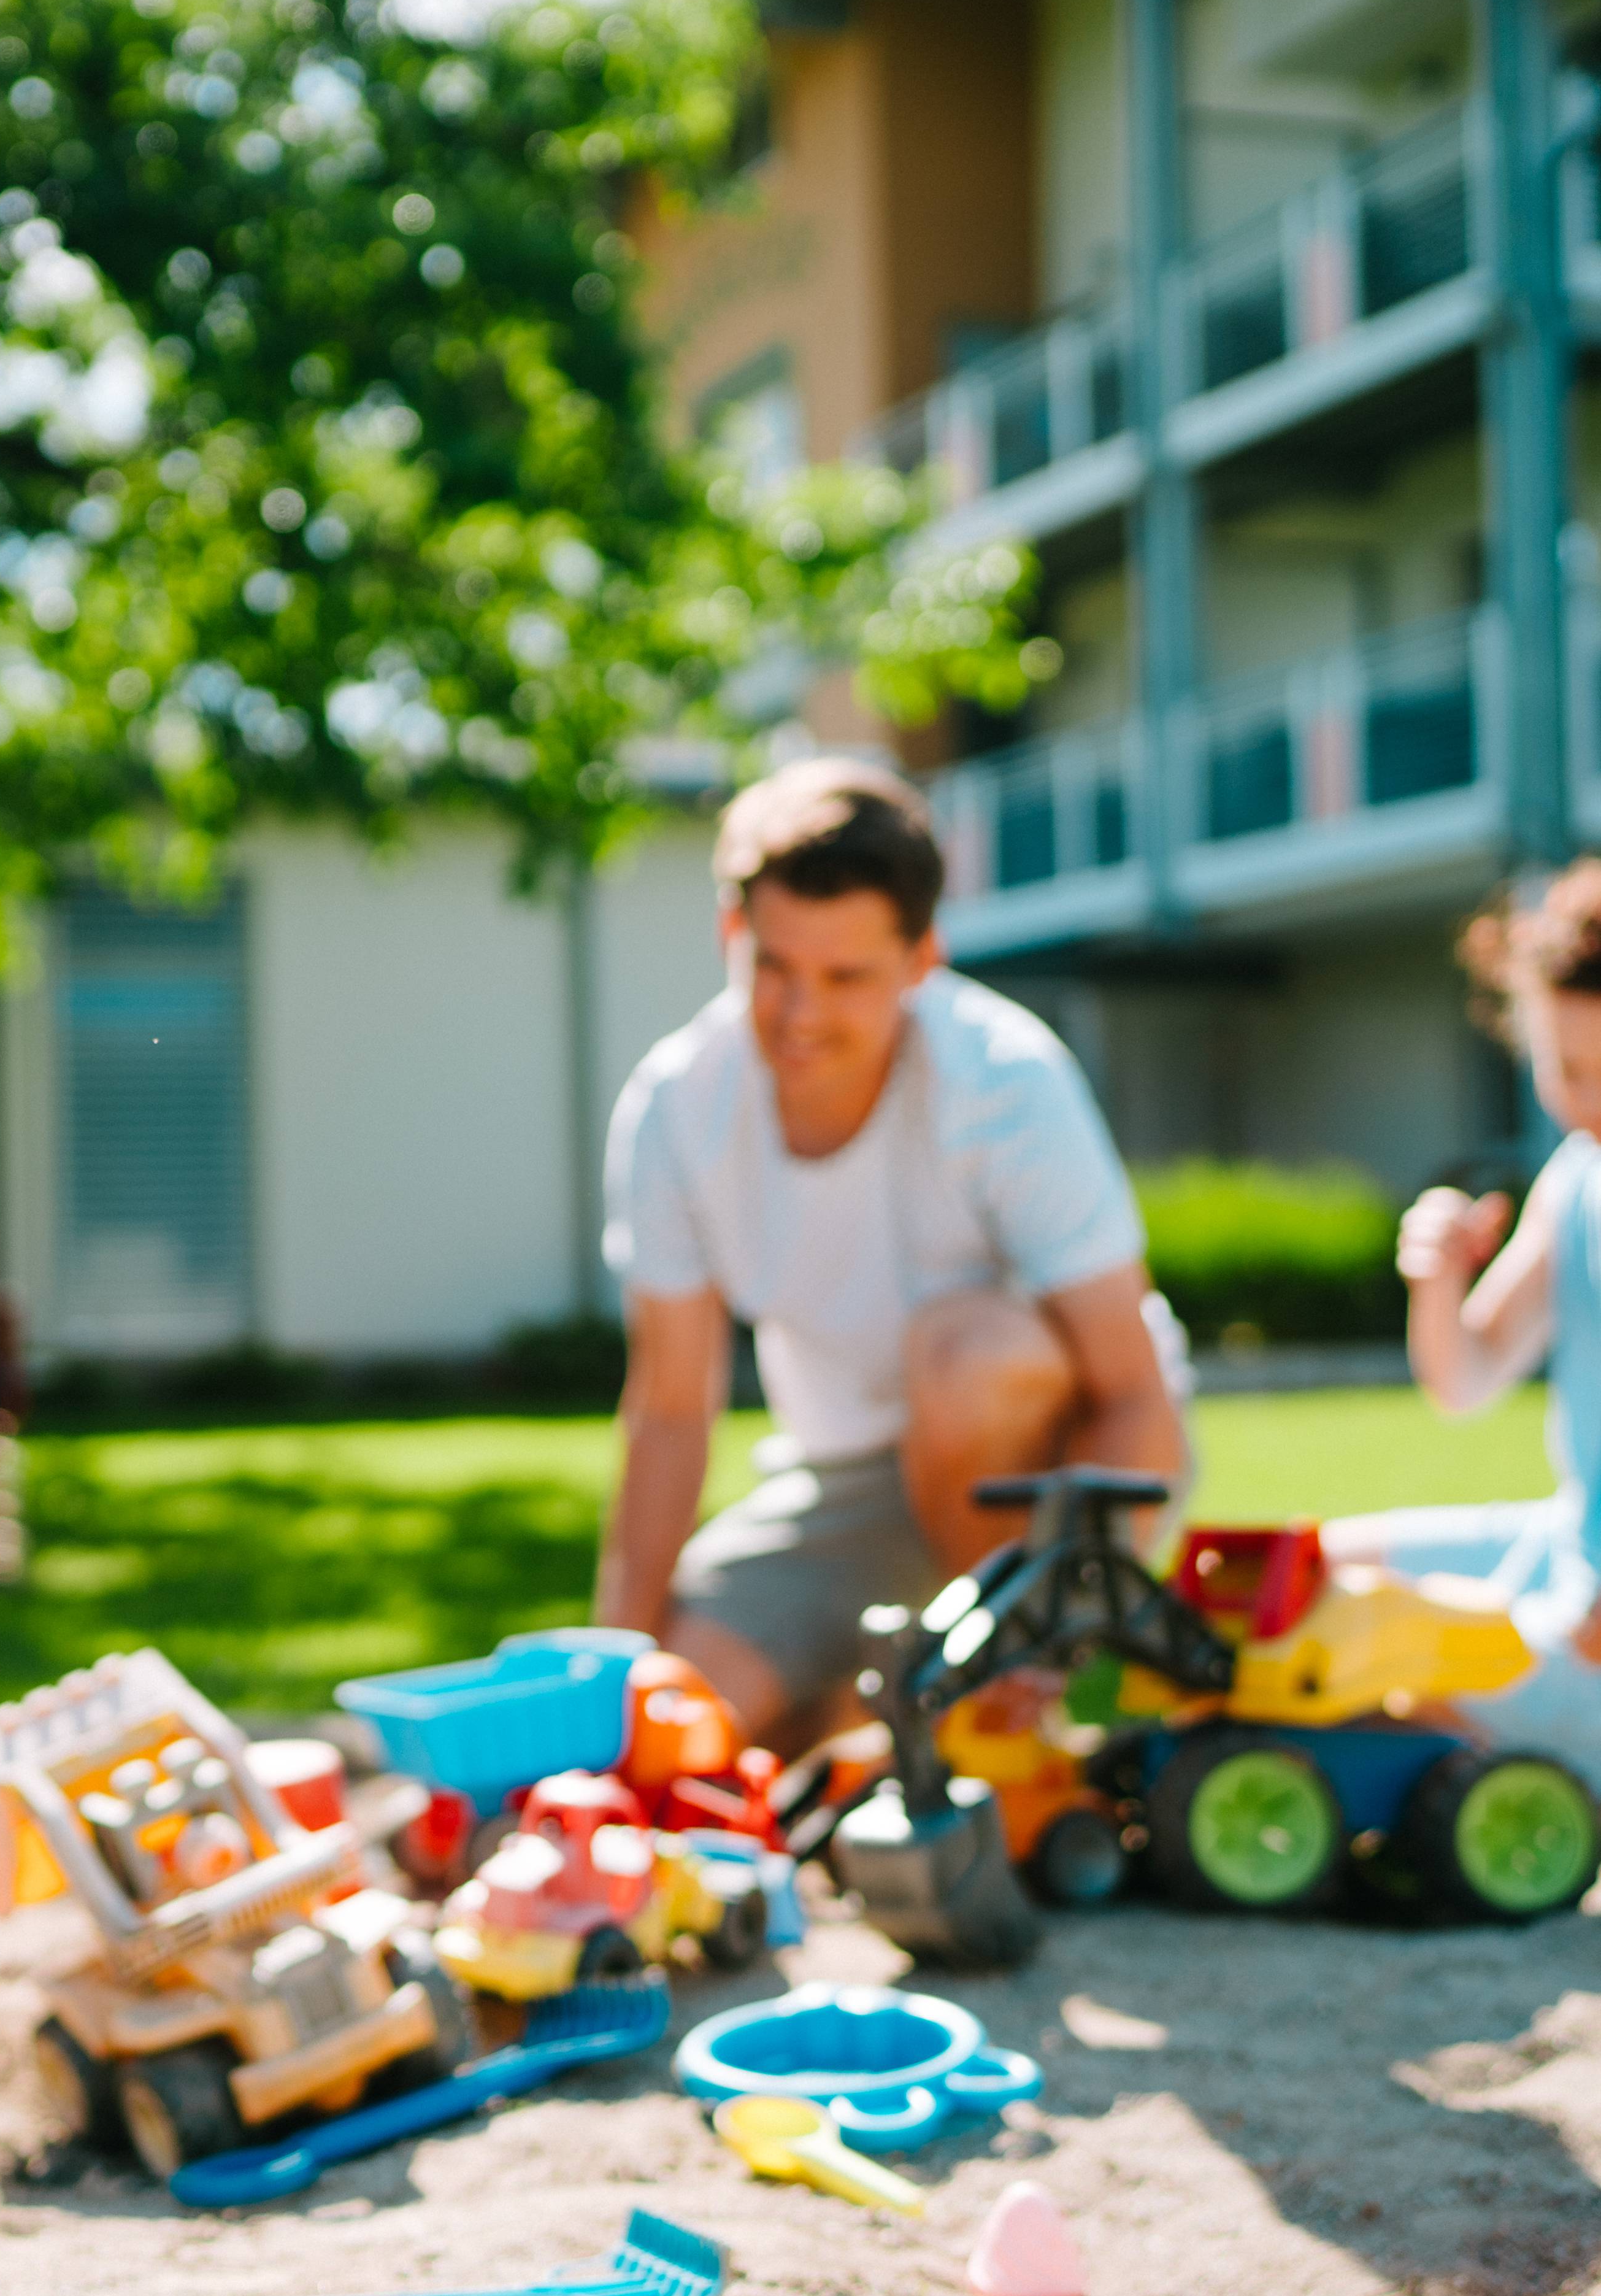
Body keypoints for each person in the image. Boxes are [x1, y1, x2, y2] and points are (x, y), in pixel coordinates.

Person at [596, 755, 1190, 1745]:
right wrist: (609, 1679)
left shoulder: (1007, 1085)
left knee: (962, 1353)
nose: (800, 1015)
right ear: (730, 933)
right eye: (773, 967)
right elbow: (668, 1413)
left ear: (923, 962)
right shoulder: (675, 1109)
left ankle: (995, 1692)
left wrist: (1071, 1632)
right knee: (678, 1723)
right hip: (847, 1486)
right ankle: (864, 1717)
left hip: (1044, 1466)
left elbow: (1134, 1397)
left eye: (845, 977)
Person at [1324, 861, 1601, 1781]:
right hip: (1569, 1541)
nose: (1589, 1101)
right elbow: (1465, 1381)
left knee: (1380, 1671)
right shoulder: (1577, 1180)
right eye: (1566, 1070)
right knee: (1306, 1572)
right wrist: (1438, 1280)